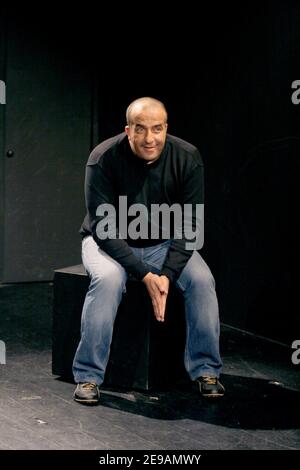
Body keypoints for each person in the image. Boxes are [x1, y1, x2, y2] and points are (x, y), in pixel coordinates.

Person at [72, 97, 224, 404]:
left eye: (157, 129)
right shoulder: (103, 158)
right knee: (108, 280)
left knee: (202, 281)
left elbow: (190, 226)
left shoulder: (187, 157)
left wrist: (166, 275)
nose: (149, 138)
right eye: (140, 129)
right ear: (128, 130)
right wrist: (145, 275)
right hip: (108, 244)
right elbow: (103, 230)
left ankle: (206, 370)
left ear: (166, 128)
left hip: (163, 244)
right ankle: (88, 376)